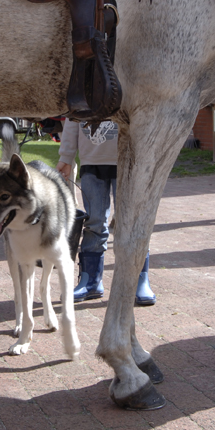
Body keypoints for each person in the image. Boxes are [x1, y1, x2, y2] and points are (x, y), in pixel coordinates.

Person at [57, 118, 154, 306]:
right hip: (91, 161)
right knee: (94, 222)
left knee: (132, 223)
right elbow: (72, 118)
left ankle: (138, 281)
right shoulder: (81, 89)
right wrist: (66, 157)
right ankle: (90, 281)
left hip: (129, 160)